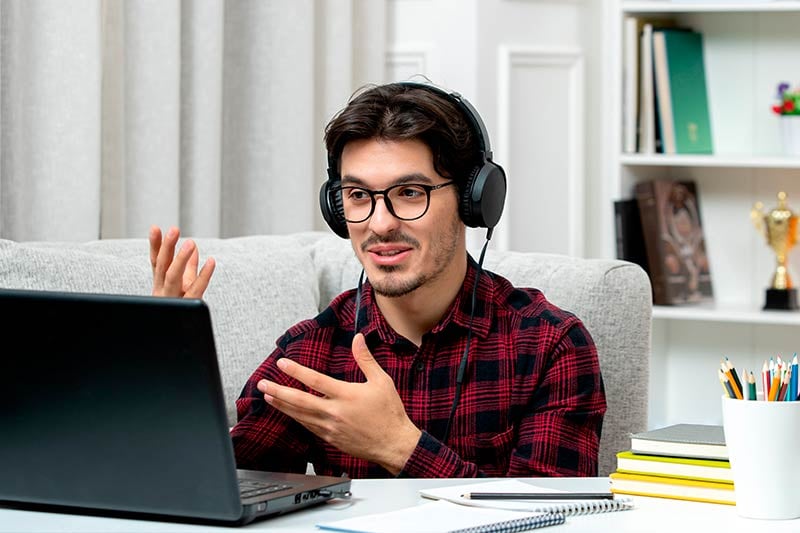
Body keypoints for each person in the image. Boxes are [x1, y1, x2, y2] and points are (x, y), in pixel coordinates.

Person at [149, 81, 606, 479]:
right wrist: (169, 367)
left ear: (474, 201)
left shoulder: (550, 345)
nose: (380, 224)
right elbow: (215, 484)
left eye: (410, 193)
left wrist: (400, 446)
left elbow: (552, 518)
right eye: (358, 196)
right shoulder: (312, 352)